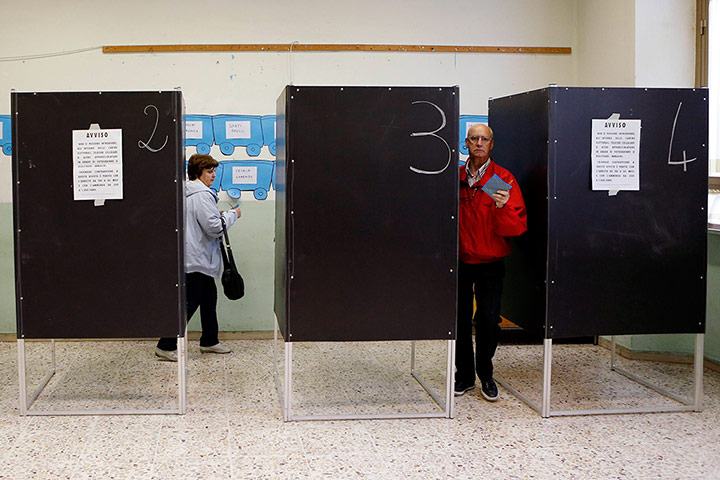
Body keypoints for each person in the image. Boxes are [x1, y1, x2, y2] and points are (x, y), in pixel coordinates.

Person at [455, 123, 527, 400]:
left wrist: (502, 206)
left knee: (487, 320)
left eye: (484, 139)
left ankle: (486, 374)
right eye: (474, 138)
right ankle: (464, 376)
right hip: (460, 261)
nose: (479, 143)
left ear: (492, 144)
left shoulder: (501, 179)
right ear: (467, 143)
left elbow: (517, 228)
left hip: (491, 262)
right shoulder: (457, 177)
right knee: (459, 320)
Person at [155, 154, 241, 361]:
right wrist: (232, 215)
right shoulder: (201, 194)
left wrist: (217, 214)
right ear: (197, 173)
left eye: (214, 171)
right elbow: (213, 228)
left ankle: (210, 341)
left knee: (209, 298)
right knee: (191, 301)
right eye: (209, 171)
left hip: (195, 256)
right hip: (198, 258)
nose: (213, 175)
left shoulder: (190, 192)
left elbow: (202, 220)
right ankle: (165, 344)